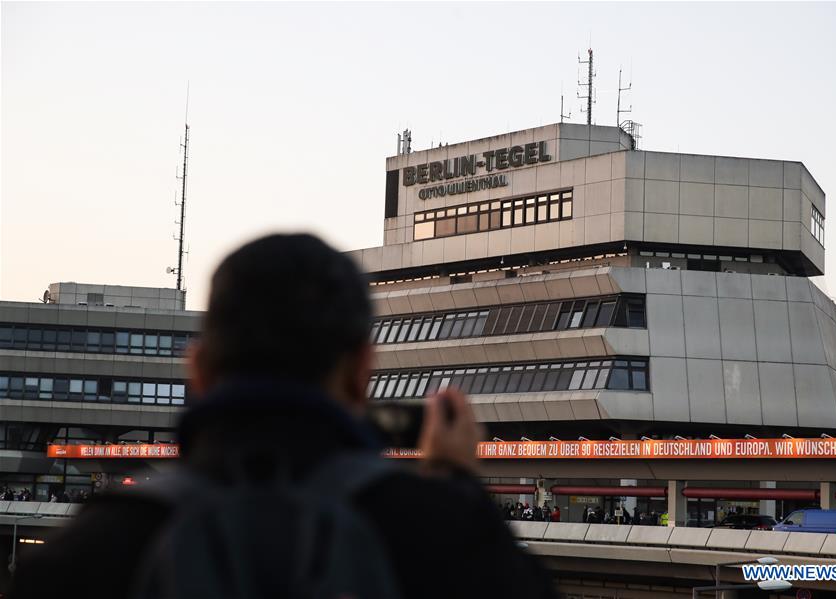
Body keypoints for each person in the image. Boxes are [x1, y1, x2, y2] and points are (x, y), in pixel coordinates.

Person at [9, 234, 557, 599]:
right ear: (361, 370)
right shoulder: (436, 532)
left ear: (198, 369)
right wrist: (456, 487)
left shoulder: (100, 543)